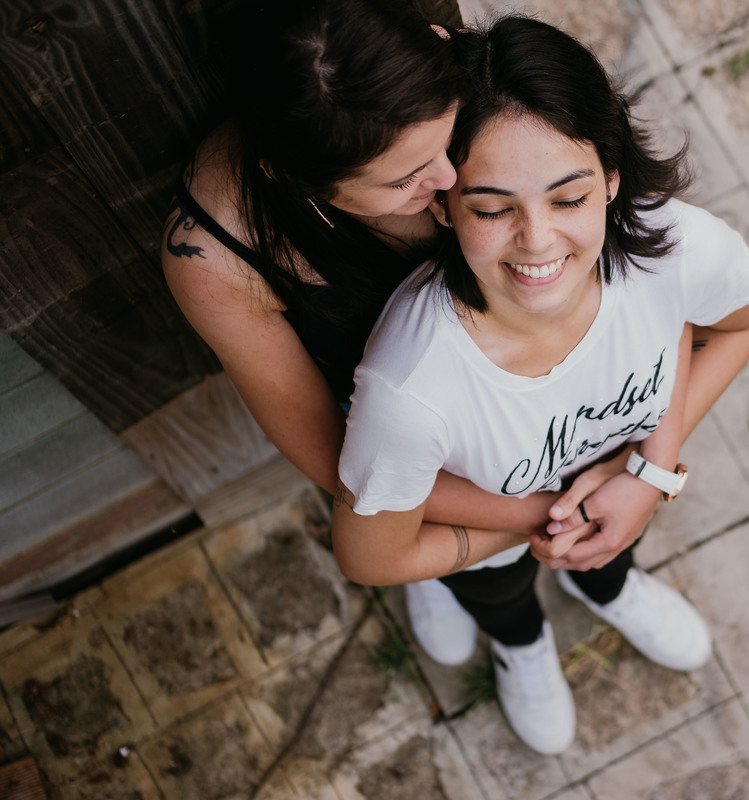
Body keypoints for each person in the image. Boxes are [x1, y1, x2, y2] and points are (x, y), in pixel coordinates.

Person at [333, 15, 749, 754]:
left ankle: (608, 585)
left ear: (611, 178)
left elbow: (740, 323)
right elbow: (371, 554)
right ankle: (518, 642)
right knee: (497, 592)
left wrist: (647, 477)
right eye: (493, 208)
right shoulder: (409, 388)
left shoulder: (678, 251)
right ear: (441, 203)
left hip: (620, 485)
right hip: (480, 539)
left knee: (612, 548)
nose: (537, 241)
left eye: (568, 199)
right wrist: (543, 518)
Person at [159, 0, 625, 668]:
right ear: (295, 180)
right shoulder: (215, 256)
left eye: (447, 137)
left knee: (606, 536)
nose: (446, 182)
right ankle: (507, 630)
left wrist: (632, 467)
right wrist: (536, 513)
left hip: (556, 392)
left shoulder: (473, 70)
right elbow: (340, 461)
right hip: (422, 455)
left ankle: (607, 586)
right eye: (405, 180)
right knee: (484, 576)